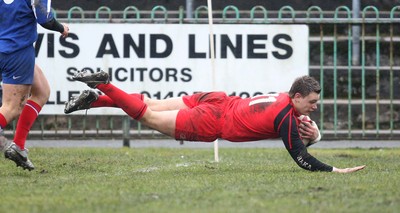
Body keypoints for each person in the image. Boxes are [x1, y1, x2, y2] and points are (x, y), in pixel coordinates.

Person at [65, 70, 366, 173]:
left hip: (217, 99)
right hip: (212, 120)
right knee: (149, 116)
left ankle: (95, 98)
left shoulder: (283, 100)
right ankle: (104, 85)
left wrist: (314, 135)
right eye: (311, 102)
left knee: (148, 102)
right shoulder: (286, 117)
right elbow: (301, 157)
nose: (314, 107)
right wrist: (335, 168)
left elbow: (298, 135)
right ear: (297, 97)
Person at [0, 0, 69, 170]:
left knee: (42, 91)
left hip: (5, 46)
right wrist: (61, 28)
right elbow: (44, 19)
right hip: (16, 51)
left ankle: (19, 146)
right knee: (12, 107)